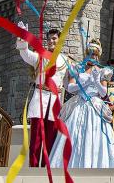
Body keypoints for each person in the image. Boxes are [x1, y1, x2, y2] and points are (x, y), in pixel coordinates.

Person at [48, 40, 114, 169]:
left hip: (95, 106)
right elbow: (71, 88)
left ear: (98, 56)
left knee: (94, 136)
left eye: (95, 54)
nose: (92, 56)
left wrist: (96, 81)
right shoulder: (77, 68)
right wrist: (86, 82)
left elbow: (103, 93)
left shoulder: (103, 71)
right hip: (78, 105)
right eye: (90, 53)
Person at [16, 22, 70, 166]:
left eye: (54, 39)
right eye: (49, 39)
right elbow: (25, 54)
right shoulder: (40, 56)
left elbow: (68, 85)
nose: (51, 41)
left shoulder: (65, 61)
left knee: (50, 142)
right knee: (36, 141)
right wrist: (23, 37)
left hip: (54, 103)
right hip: (39, 100)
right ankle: (33, 172)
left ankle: (46, 173)